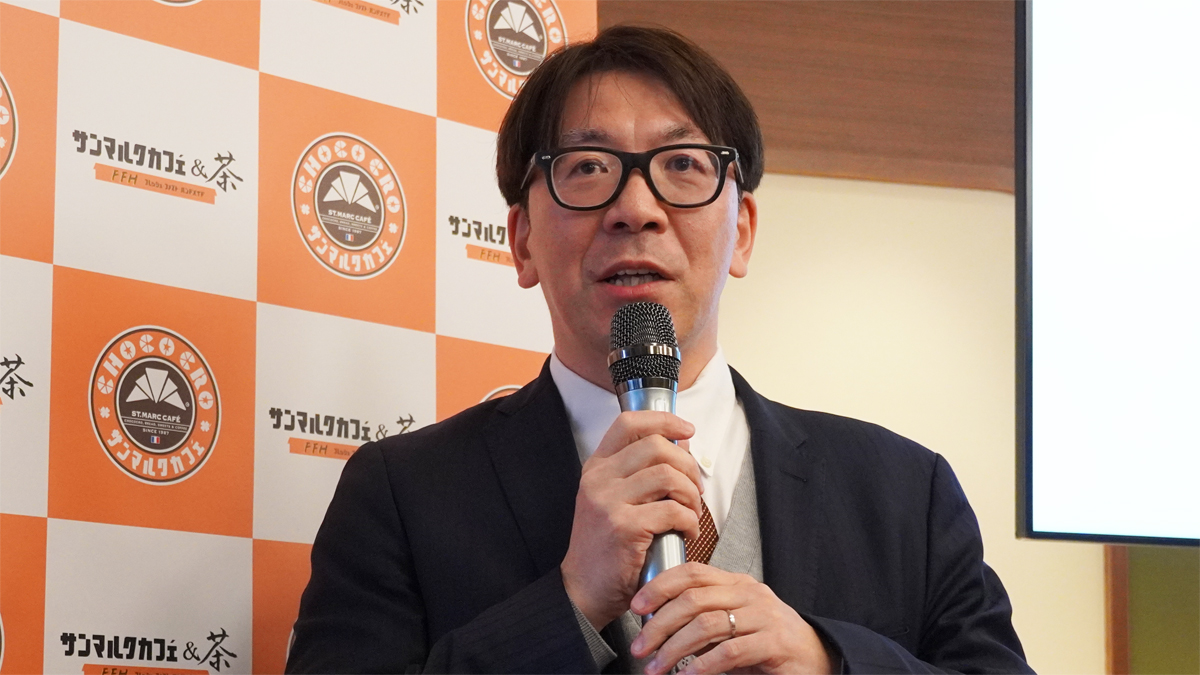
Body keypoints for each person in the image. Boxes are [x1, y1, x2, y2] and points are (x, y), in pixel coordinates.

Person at [286, 25, 1033, 675]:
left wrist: (825, 659)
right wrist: (569, 603)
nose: (636, 209)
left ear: (742, 230)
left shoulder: (905, 492)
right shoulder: (400, 494)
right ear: (521, 241)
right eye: (587, 167)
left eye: (683, 165)